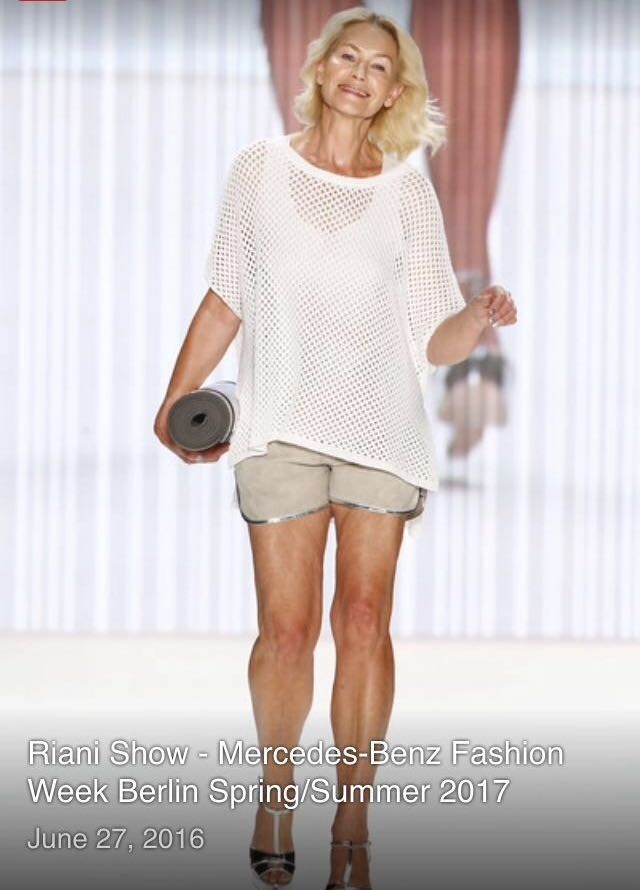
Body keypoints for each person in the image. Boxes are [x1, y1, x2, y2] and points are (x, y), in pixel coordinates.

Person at [154, 7, 517, 889]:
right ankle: (276, 793)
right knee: (285, 632)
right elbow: (225, 299)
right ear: (320, 69)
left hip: (380, 432)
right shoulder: (259, 169)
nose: (360, 73)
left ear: (395, 91)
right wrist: (174, 400)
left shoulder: (407, 192)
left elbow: (432, 336)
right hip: (278, 425)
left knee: (363, 621)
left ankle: (353, 819)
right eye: (347, 57)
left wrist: (475, 319)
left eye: (379, 66)